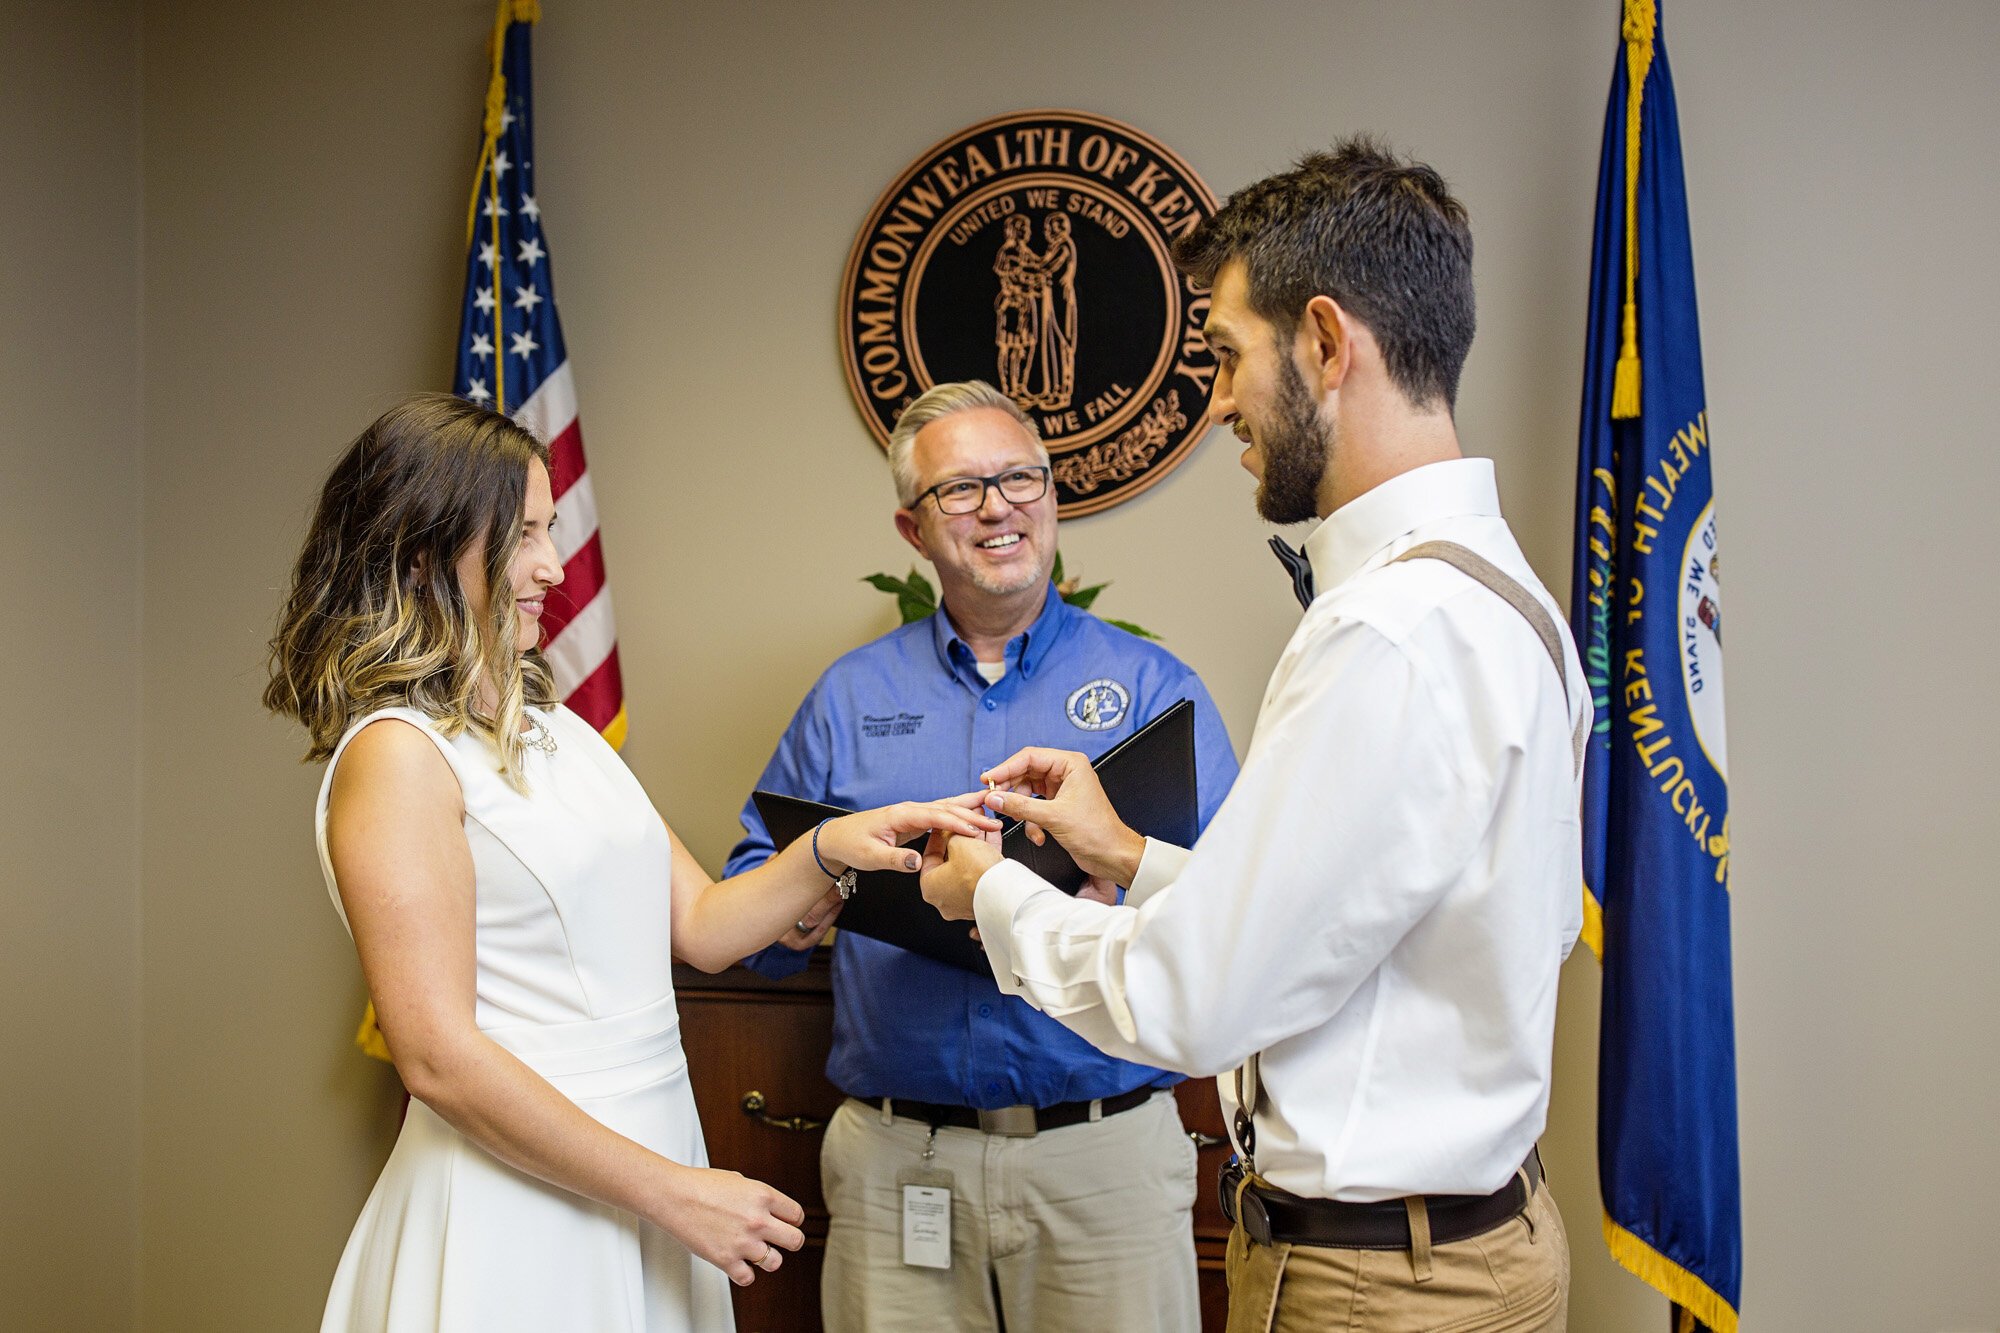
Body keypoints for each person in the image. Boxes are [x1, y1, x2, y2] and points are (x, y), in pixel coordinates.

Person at [920, 139, 1586, 1332]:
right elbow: (1367, 928)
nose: (1215, 398)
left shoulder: (1385, 632)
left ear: (1327, 344)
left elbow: (1197, 1000)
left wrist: (990, 900)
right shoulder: (1494, 592)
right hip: (1467, 1244)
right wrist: (1128, 855)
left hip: (1380, 1288)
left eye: (1227, 355)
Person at [263, 394, 999, 1332]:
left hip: (646, 1164)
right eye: (521, 534)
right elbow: (437, 1057)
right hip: (517, 1205)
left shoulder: (560, 728)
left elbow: (703, 926)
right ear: (424, 552)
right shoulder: (399, 755)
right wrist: (674, 1192)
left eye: (549, 529)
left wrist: (837, 844)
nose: (552, 565)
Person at [726, 379, 1238, 1332]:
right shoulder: (846, 697)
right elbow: (744, 912)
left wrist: (1121, 869)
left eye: (1020, 479)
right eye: (960, 489)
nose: (998, 506)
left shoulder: (1154, 688)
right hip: (897, 1160)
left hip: (1104, 1159)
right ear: (913, 529)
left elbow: (1237, 913)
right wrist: (811, 899)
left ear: (1052, 497)